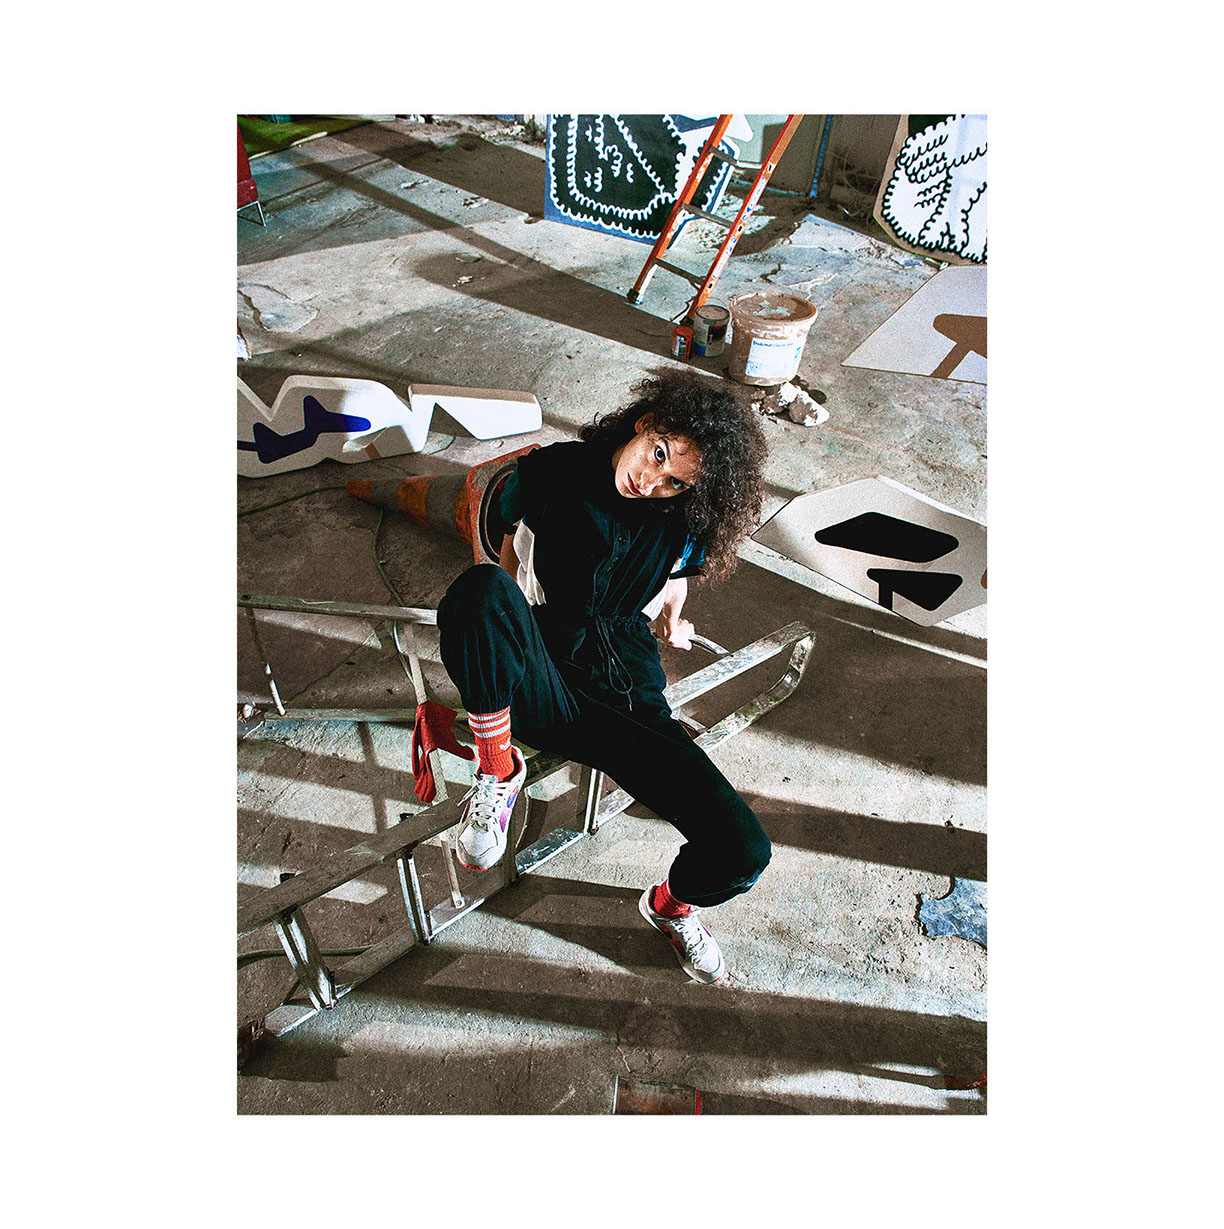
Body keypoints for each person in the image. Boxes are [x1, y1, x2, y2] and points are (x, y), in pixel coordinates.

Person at [435, 370, 769, 983]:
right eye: (658, 454)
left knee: (743, 851)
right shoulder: (551, 471)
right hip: (546, 680)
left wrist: (672, 618)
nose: (652, 481)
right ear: (645, 424)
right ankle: (497, 768)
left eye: (675, 482)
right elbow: (503, 550)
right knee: (479, 590)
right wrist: (504, 628)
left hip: (629, 698)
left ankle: (669, 908)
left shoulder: (682, 517)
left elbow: (675, 574)